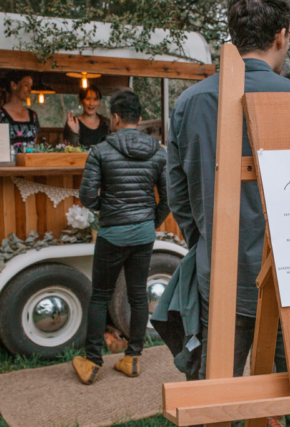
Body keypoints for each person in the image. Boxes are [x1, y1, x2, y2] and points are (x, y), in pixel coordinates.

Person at [166, 1, 290, 425]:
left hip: (221, 274)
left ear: (232, 36)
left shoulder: (191, 101)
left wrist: (207, 238)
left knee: (218, 398)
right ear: (282, 35)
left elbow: (178, 192)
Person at [72, 90, 170, 384]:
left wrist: (110, 212)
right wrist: (148, 222)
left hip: (112, 234)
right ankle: (133, 358)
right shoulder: (158, 151)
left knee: (100, 296)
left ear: (114, 118)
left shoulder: (100, 151)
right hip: (142, 233)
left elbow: (87, 197)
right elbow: (167, 199)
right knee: (138, 295)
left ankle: (91, 363)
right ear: (139, 119)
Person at [0, 71, 41, 146]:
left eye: (31, 87)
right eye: (26, 85)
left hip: (29, 158)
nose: (30, 90)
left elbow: (35, 142)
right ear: (14, 85)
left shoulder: (33, 116)